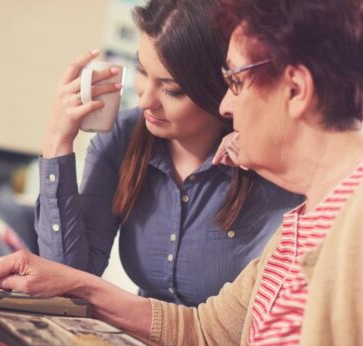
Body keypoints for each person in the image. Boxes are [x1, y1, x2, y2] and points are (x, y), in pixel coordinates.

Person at [0, 0, 363, 346]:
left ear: (295, 89)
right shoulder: (303, 221)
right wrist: (77, 284)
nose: (225, 105)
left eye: (234, 82)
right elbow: (207, 336)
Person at [36, 0, 301, 307]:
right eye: (141, 71)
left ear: (221, 87)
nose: (145, 100)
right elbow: (68, 282)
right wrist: (57, 142)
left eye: (171, 89)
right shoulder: (122, 138)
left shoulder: (269, 158)